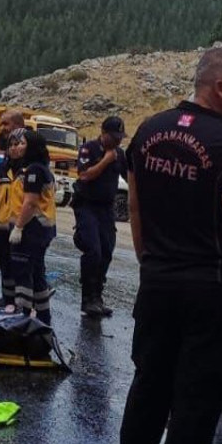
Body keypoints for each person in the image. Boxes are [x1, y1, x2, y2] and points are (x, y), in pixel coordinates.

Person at [115, 47, 222, 444]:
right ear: (219, 88)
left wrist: (150, 262)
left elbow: (136, 206)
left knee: (147, 395)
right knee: (194, 414)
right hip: (217, 296)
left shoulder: (148, 131)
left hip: (159, 286)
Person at [73, 116, 127, 318]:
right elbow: (84, 175)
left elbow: (131, 176)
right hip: (87, 205)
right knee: (93, 250)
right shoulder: (89, 149)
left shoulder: (120, 154)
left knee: (106, 251)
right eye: (114, 136)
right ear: (103, 133)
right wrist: (106, 160)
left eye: (120, 137)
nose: (118, 141)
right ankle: (87, 299)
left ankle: (97, 297)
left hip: (106, 209)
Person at [6, 129, 57, 324]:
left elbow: (30, 203)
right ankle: (43, 317)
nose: (19, 147)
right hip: (41, 231)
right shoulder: (38, 168)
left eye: (23, 143)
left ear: (32, 147)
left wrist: (18, 227)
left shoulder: (34, 170)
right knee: (37, 274)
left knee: (23, 271)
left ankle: (23, 316)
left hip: (32, 230)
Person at [0, 125, 27, 305]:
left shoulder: (30, 170)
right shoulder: (0, 170)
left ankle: (24, 303)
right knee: (4, 265)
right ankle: (7, 300)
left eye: (19, 144)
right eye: (11, 144)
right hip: (1, 227)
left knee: (22, 267)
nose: (14, 148)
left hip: (21, 228)